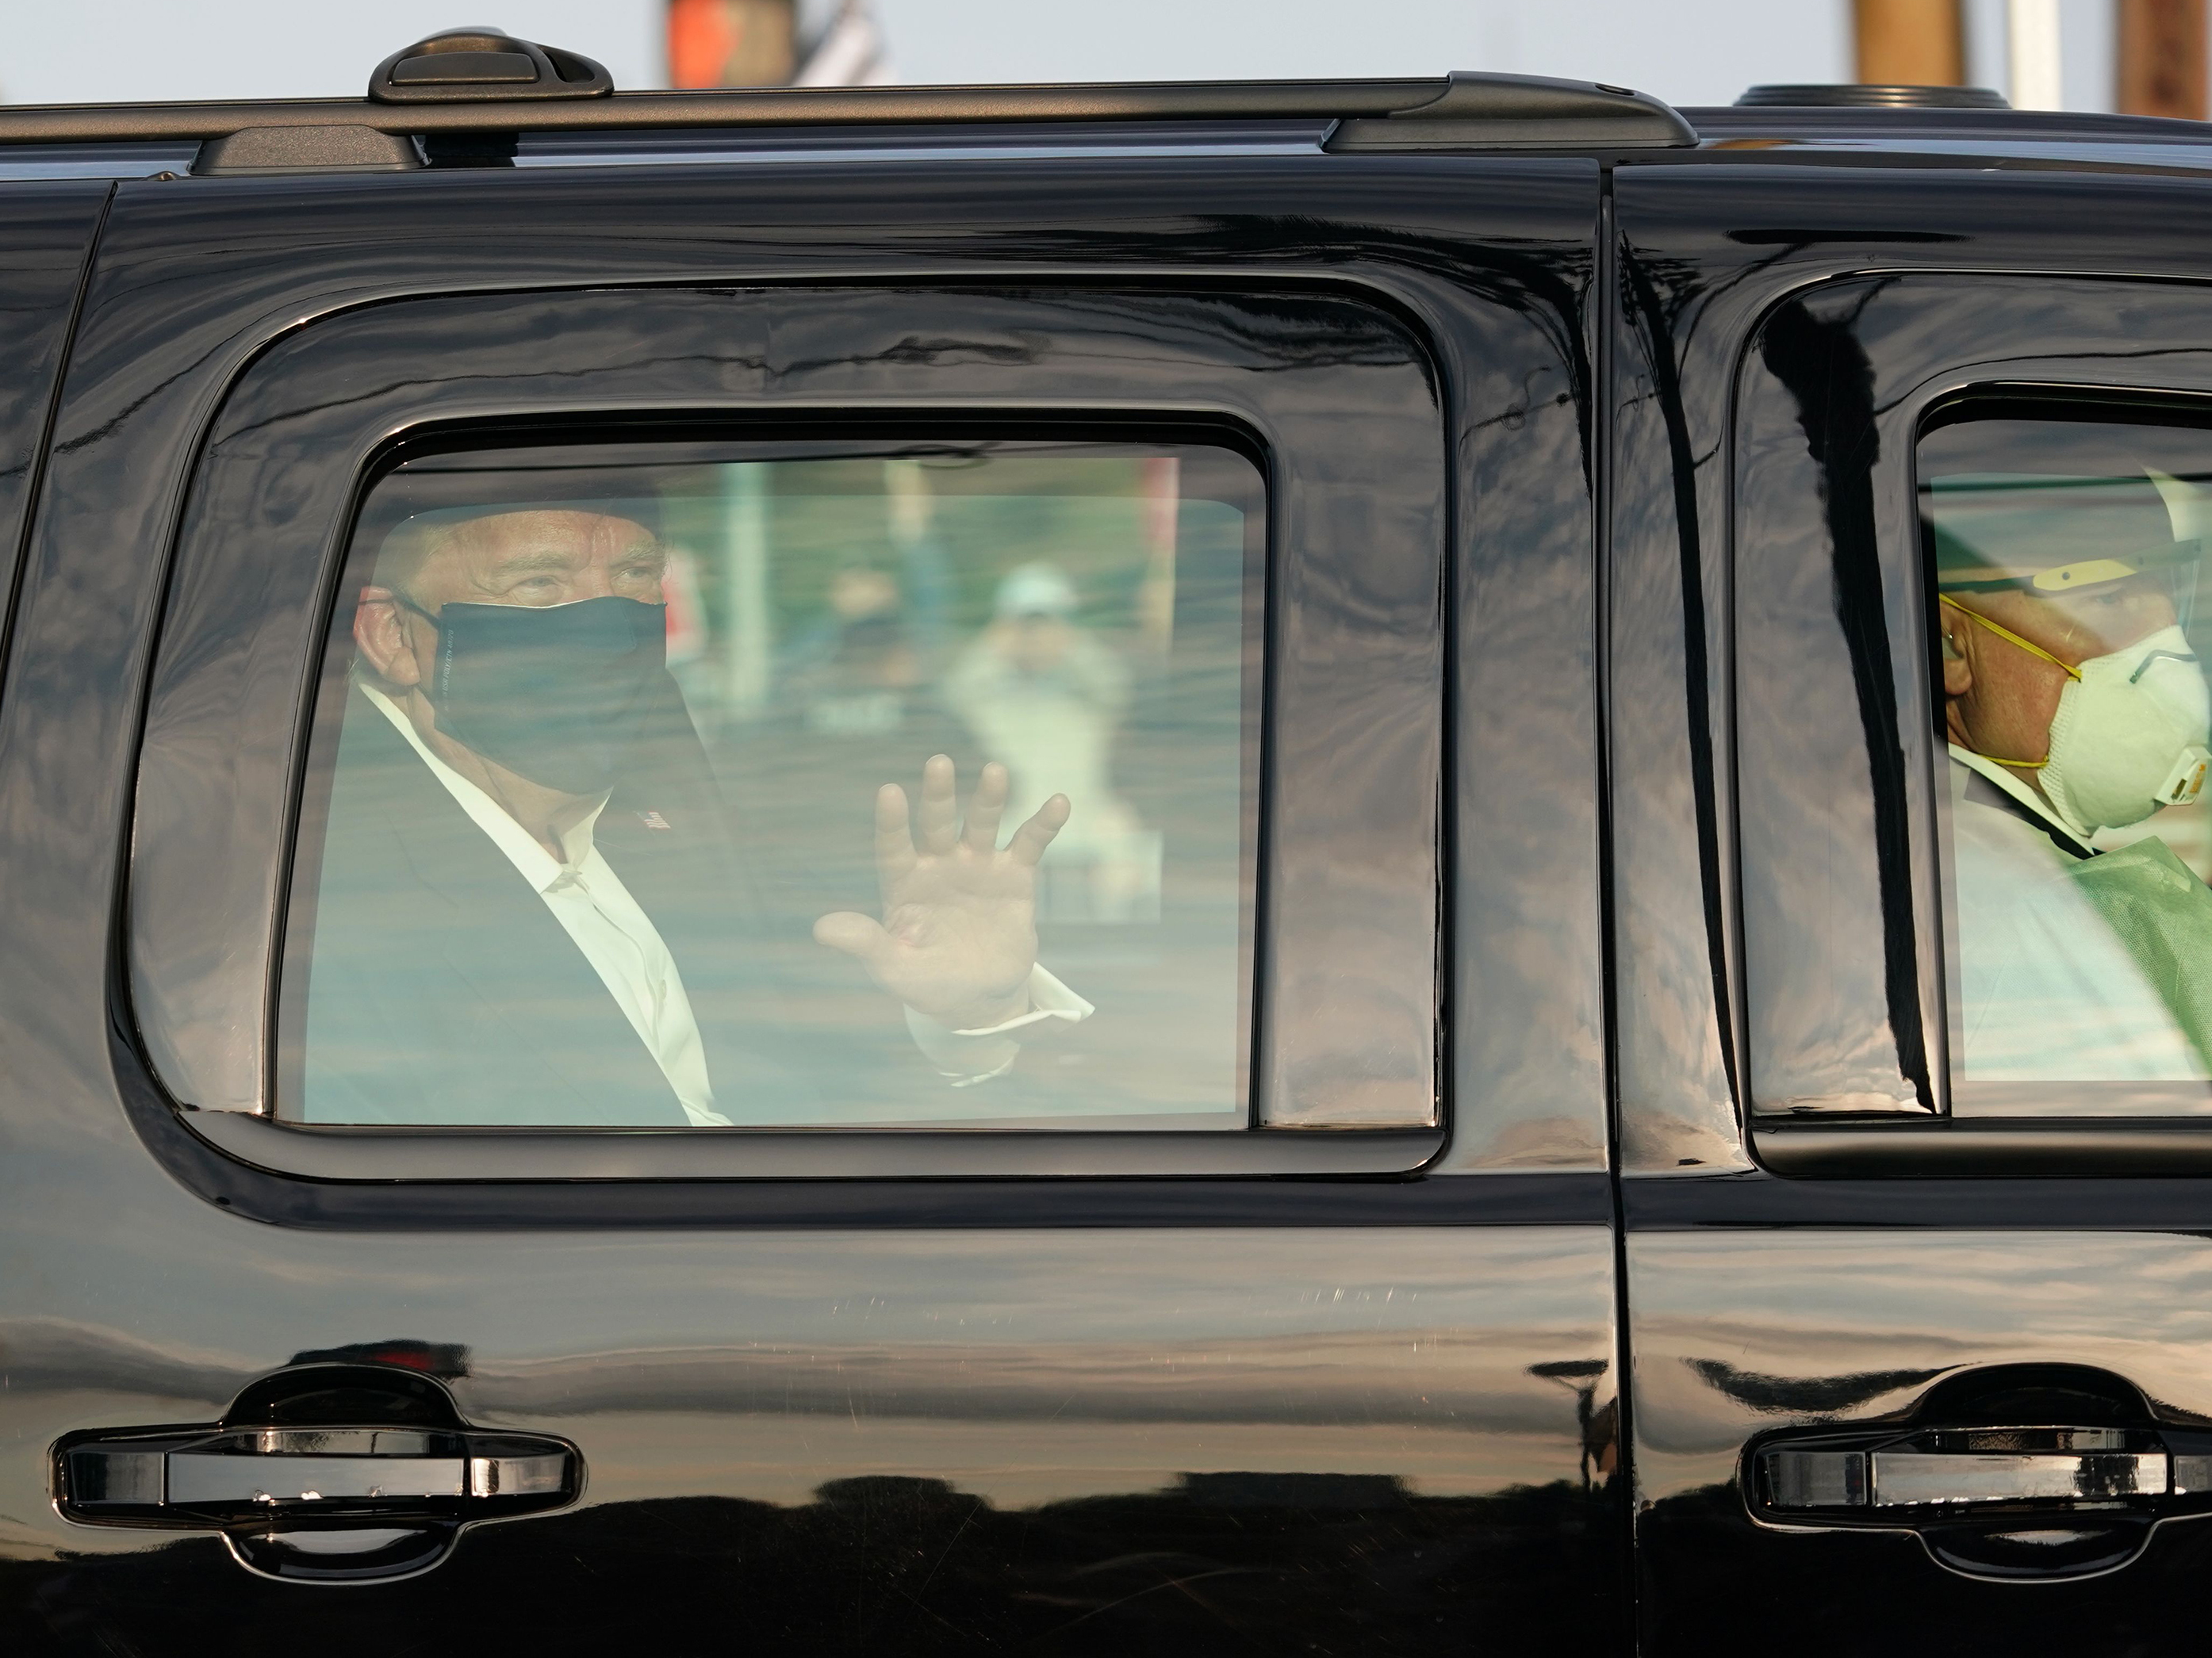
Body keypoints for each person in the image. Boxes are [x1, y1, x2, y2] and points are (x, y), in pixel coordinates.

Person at [297, 484, 1091, 1126]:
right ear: (394, 637)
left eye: (638, 579)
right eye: (540, 585)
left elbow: (825, 1078)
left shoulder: (672, 831)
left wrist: (968, 1017)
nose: (607, 620)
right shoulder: (316, 906)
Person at [1934, 465, 2212, 1080]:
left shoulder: (1935, 853)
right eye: (2107, 599)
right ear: (1952, 646)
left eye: (2169, 596)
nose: (2165, 650)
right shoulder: (2020, 917)